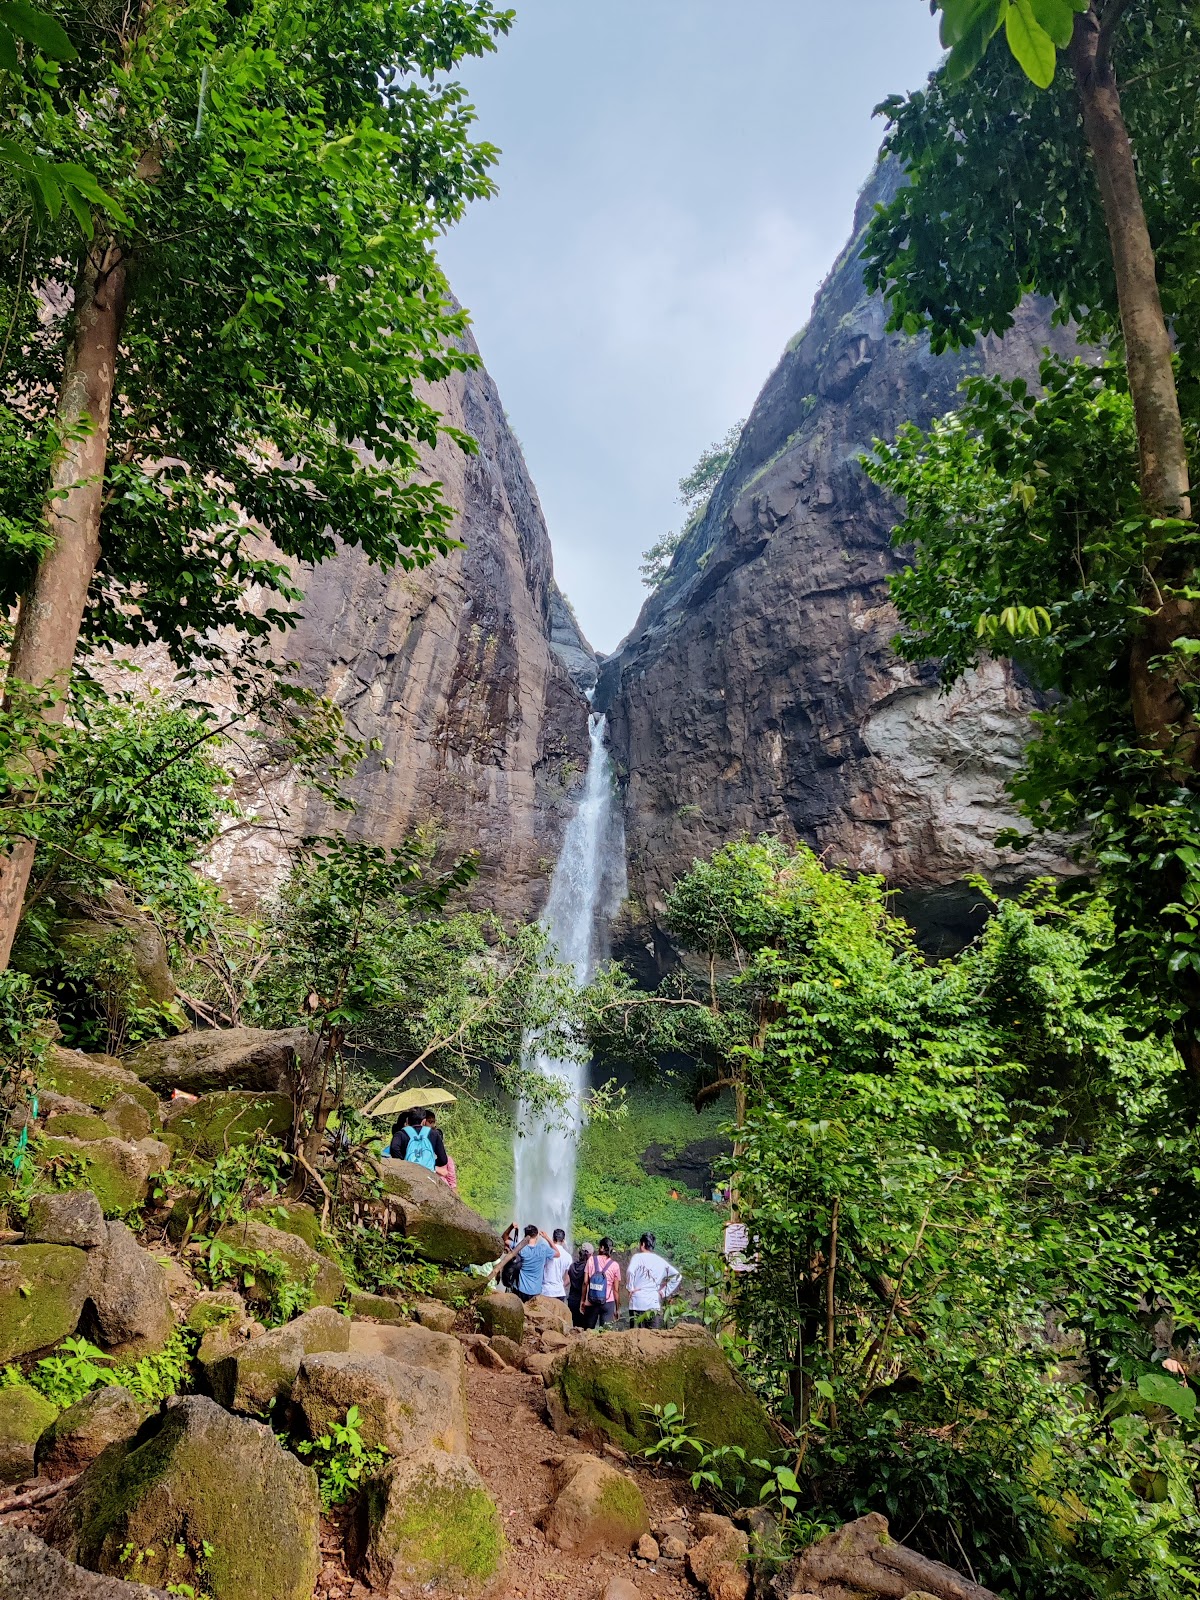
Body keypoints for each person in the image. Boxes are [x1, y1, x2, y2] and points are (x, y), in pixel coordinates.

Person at [625, 1232, 681, 1329]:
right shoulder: (660, 1261)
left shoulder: (637, 1257)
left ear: (642, 1244)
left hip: (637, 1301)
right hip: (653, 1302)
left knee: (636, 1336)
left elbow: (630, 1271)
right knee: (653, 1335)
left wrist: (630, 1288)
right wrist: (663, 1292)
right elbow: (678, 1276)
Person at [490, 1224, 556, 1303]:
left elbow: (504, 1239)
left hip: (521, 1289)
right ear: (537, 1236)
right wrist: (547, 1237)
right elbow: (558, 1253)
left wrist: (511, 1227)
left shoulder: (520, 1247)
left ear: (525, 1236)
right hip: (536, 1291)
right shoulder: (543, 1248)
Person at [583, 1236, 621, 1330]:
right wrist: (617, 1309)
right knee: (605, 1333)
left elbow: (585, 1282)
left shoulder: (591, 1260)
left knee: (588, 1330)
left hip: (592, 1300)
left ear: (602, 1247)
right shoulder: (615, 1265)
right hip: (608, 1302)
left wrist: (582, 1301)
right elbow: (616, 1290)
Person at [423, 1110, 457, 1190]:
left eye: (433, 1122)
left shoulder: (447, 1159)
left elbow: (452, 1182)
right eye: (430, 1122)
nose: (432, 1124)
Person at [566, 1242, 594, 1327]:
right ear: (590, 1255)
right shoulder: (588, 1268)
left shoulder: (572, 1266)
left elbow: (569, 1279)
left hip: (572, 1300)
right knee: (585, 1327)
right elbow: (586, 1283)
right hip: (583, 1300)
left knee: (575, 1326)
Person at [541, 1227, 570, 1302]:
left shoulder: (546, 1252)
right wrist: (560, 1286)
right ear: (563, 1240)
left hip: (546, 1291)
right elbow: (568, 1279)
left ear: (553, 1238)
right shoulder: (568, 1256)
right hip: (559, 1292)